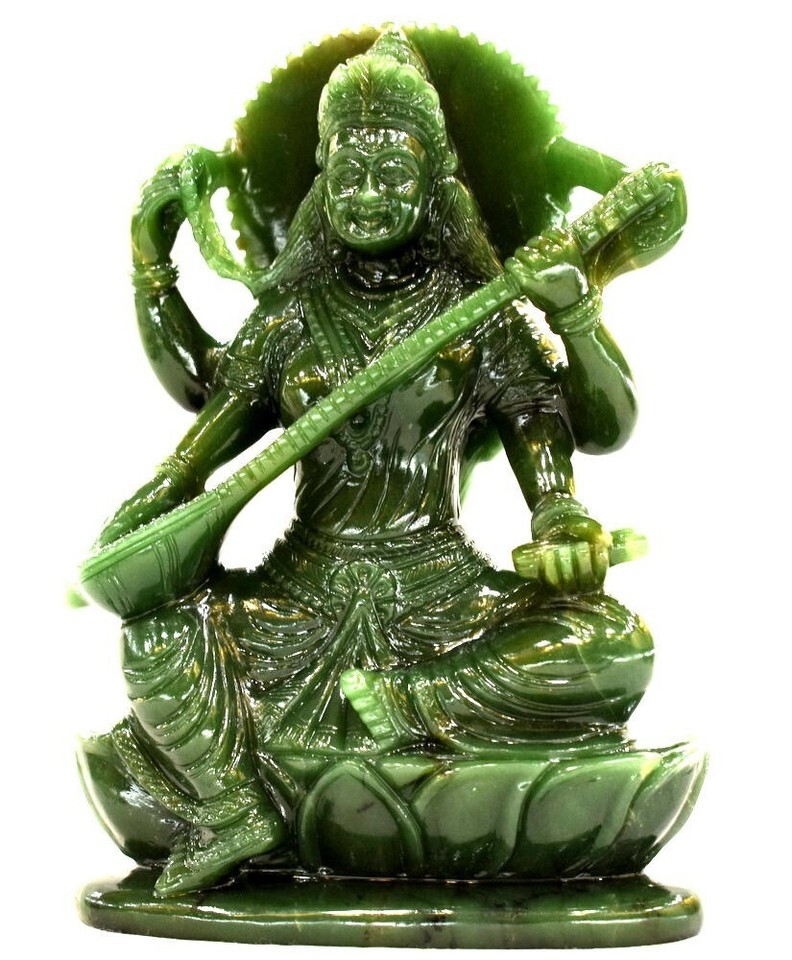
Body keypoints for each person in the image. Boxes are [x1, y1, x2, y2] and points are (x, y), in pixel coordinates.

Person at [95, 27, 652, 897]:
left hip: (443, 602)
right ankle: (237, 807)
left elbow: (576, 431)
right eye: (348, 174)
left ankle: (410, 705)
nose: (367, 196)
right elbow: (203, 424)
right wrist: (150, 270)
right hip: (297, 601)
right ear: (321, 178)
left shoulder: (479, 313)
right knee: (155, 636)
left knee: (613, 644)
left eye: (392, 174)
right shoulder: (289, 319)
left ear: (436, 181)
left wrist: (560, 513)